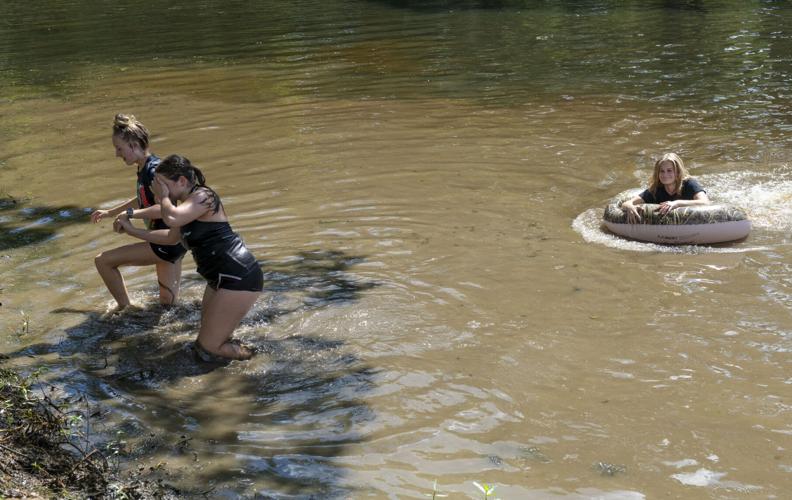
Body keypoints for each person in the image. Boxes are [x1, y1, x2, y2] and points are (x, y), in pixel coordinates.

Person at [115, 154, 263, 360]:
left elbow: (171, 216)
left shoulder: (204, 197)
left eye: (163, 185)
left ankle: (259, 357)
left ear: (182, 181)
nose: (158, 190)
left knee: (209, 347)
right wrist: (132, 231)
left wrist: (164, 197)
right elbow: (170, 238)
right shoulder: (185, 208)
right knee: (206, 342)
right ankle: (237, 357)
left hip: (239, 277)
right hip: (219, 278)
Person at [91, 114, 187, 310]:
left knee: (102, 261)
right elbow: (142, 198)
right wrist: (111, 212)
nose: (117, 154)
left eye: (119, 148)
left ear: (134, 145)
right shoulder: (148, 167)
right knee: (168, 305)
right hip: (175, 243)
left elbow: (165, 210)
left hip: (164, 243)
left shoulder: (153, 172)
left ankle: (127, 310)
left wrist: (130, 214)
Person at [621, 153, 711, 223]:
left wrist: (677, 203)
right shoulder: (656, 190)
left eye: (669, 170)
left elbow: (705, 203)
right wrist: (630, 207)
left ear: (678, 172)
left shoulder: (689, 184)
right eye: (662, 171)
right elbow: (627, 203)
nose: (665, 175)